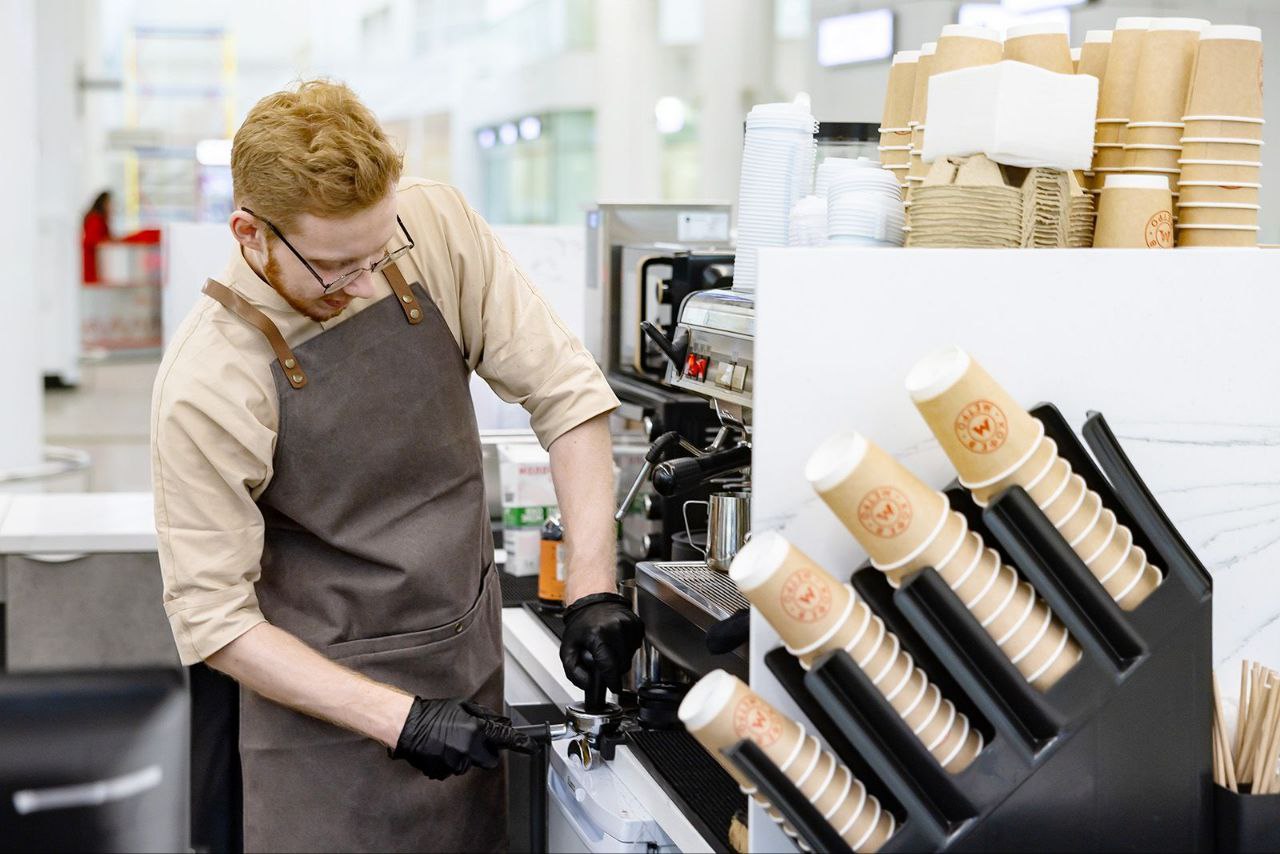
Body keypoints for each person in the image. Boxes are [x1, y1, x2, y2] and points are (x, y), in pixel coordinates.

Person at [150, 80, 645, 852]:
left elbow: (567, 394)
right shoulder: (209, 379)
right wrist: (403, 719)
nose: (371, 283)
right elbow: (217, 624)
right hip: (321, 735)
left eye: (383, 253)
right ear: (250, 233)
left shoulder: (434, 223)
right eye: (339, 270)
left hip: (462, 676)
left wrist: (592, 589)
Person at [82, 190, 112, 284]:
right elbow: (92, 240)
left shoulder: (100, 218)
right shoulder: (95, 219)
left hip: (96, 260)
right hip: (93, 261)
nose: (111, 207)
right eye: (109, 203)